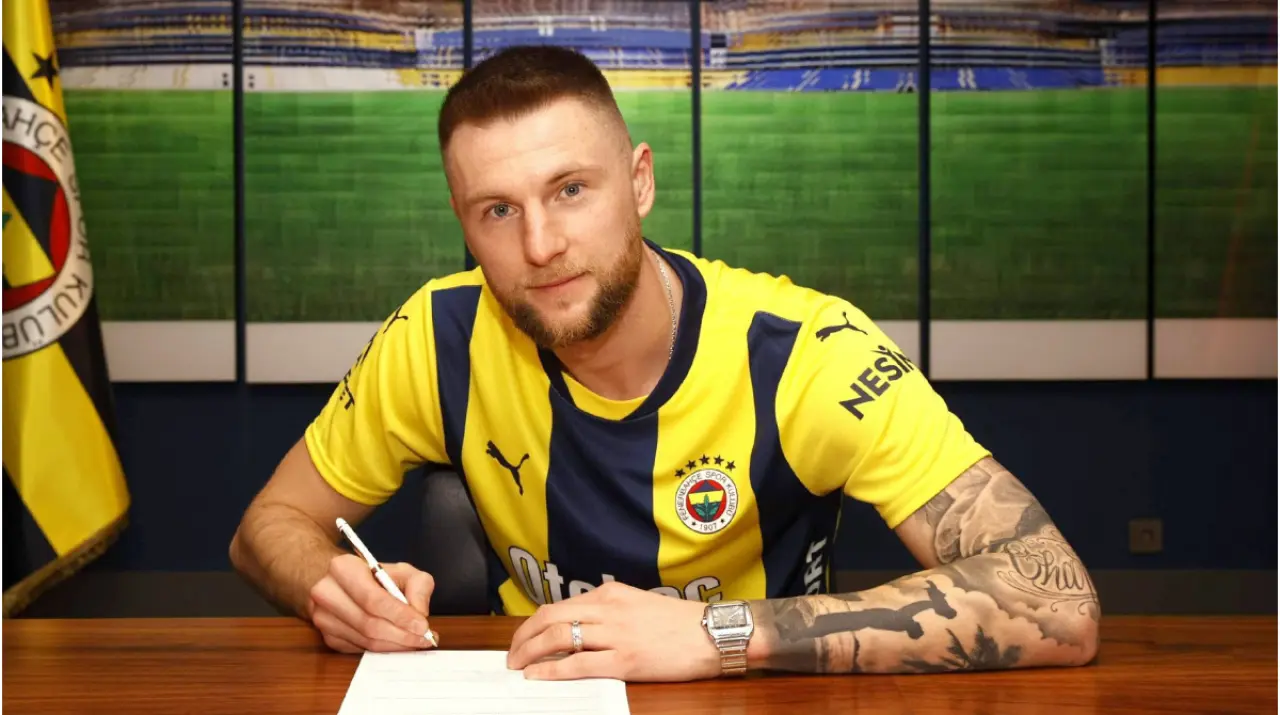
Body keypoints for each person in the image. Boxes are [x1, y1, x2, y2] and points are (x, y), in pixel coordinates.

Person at [229, 44, 1100, 682]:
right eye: (498, 210)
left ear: (639, 182)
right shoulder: (436, 336)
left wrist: (720, 633)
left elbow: (1057, 600)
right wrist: (327, 584)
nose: (541, 244)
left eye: (571, 189)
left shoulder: (806, 353)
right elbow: (268, 523)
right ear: (463, 223)